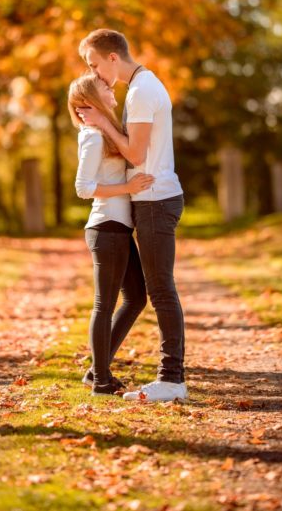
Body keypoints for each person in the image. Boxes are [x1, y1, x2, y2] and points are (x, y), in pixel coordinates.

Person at [76, 29, 188, 402]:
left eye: (94, 64)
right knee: (146, 293)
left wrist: (103, 123)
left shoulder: (140, 92)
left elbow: (136, 156)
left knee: (159, 291)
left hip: (155, 201)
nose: (94, 73)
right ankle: (99, 370)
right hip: (149, 201)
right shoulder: (142, 87)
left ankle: (171, 379)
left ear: (112, 58)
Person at [68, 73, 154, 396]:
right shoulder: (91, 136)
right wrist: (127, 188)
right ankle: (101, 380)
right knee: (104, 304)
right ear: (91, 98)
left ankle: (97, 370)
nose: (111, 89)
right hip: (106, 228)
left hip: (119, 229)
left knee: (136, 298)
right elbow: (83, 188)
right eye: (105, 86)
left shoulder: (106, 132)